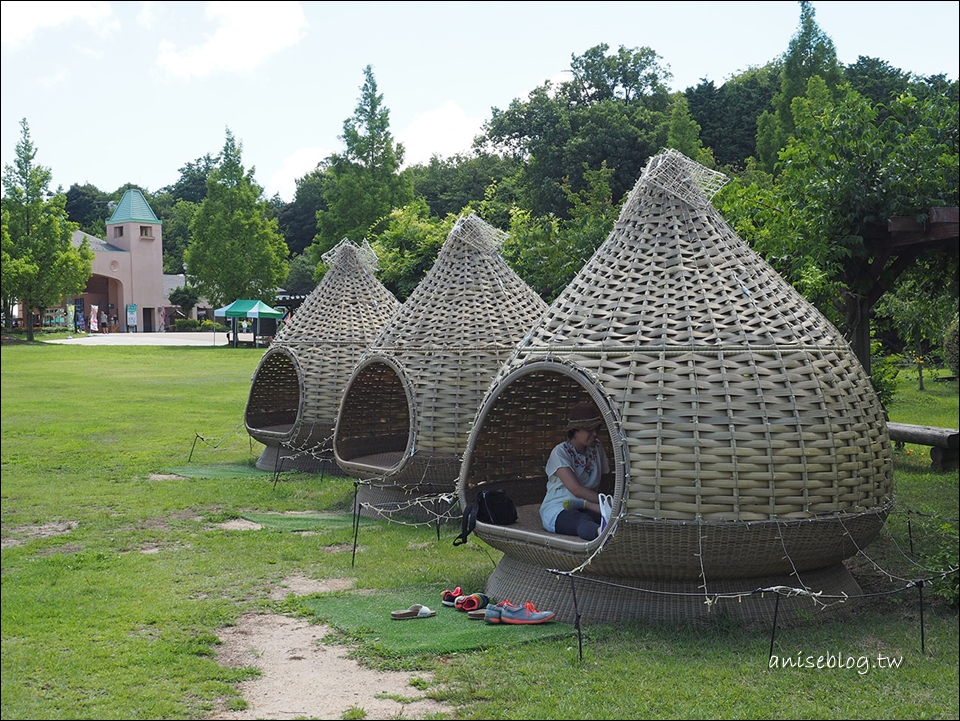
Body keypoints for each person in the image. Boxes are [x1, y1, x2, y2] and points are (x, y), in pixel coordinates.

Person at [539, 401, 612, 540]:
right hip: (559, 508)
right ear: (575, 429)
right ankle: (601, 533)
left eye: (597, 428)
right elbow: (576, 489)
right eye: (589, 429)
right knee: (581, 520)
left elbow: (603, 480)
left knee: (605, 517)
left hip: (588, 506)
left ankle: (608, 528)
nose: (595, 434)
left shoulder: (597, 448)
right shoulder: (560, 452)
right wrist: (607, 502)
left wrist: (604, 505)